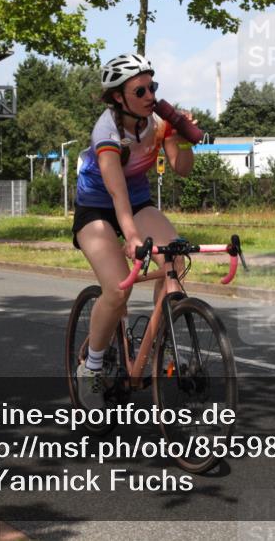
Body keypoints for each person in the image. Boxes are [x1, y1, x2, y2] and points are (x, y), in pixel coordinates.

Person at [72, 53, 195, 409]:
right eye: (140, 91)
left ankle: (158, 344)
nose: (150, 96)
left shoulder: (159, 122)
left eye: (152, 87)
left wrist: (183, 137)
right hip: (97, 206)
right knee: (117, 289)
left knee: (174, 259)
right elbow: (116, 193)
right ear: (117, 97)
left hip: (139, 201)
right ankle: (91, 367)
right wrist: (132, 237)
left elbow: (182, 168)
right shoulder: (106, 132)